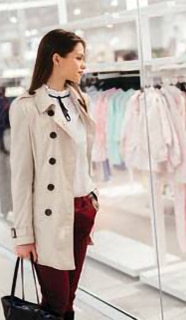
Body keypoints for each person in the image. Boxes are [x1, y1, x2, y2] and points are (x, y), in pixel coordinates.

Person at [9, 29, 99, 320]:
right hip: (50, 216)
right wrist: (23, 235)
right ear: (57, 58)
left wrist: (93, 196)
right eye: (78, 58)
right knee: (56, 303)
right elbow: (21, 176)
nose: (83, 65)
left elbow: (83, 156)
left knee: (69, 299)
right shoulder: (26, 107)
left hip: (82, 208)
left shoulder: (80, 99)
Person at [0, 86, 10, 154]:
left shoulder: (5, 99)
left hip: (3, 121)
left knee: (1, 135)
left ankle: (2, 148)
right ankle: (2, 148)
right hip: (1, 120)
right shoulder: (1, 99)